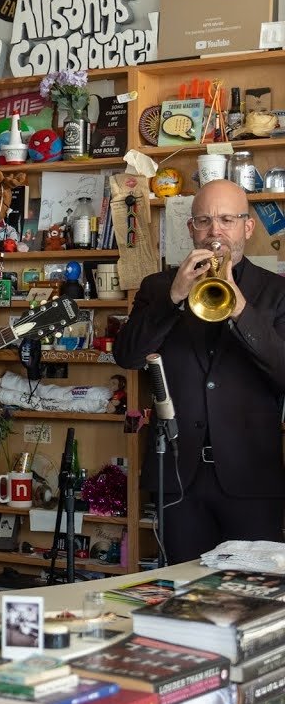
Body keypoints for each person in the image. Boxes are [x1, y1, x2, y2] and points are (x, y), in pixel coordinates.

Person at [115, 179, 285, 563]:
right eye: (205, 220)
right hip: (179, 475)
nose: (216, 231)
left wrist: (242, 311)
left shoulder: (276, 293)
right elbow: (127, 356)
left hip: (251, 476)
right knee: (183, 597)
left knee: (251, 596)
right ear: (191, 228)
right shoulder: (158, 287)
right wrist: (173, 296)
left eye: (227, 219)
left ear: (248, 227)